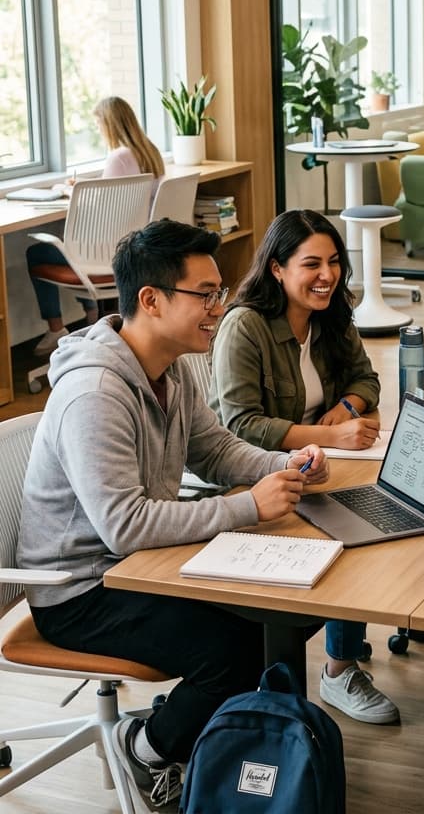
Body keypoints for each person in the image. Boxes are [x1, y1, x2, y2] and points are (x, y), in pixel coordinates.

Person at [16, 219, 327, 809]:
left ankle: (200, 734)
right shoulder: (95, 393)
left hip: (141, 563)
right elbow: (123, 524)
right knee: (234, 650)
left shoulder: (171, 366)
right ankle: (148, 749)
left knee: (287, 615)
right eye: (204, 294)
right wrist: (245, 508)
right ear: (151, 300)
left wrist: (284, 464)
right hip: (82, 589)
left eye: (219, 292)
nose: (218, 307)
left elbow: (214, 450)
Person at [208, 208, 399, 724]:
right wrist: (330, 434)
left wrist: (352, 407)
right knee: (349, 532)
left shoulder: (332, 314)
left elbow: (367, 379)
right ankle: (336, 671)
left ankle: (341, 664)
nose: (327, 275)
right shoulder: (244, 327)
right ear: (276, 268)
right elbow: (241, 424)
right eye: (311, 264)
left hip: (322, 464)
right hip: (257, 473)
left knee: (372, 518)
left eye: (334, 262)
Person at [27, 96, 166, 356]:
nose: (99, 130)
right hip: (136, 247)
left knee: (37, 252)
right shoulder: (150, 152)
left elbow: (102, 211)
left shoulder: (119, 156)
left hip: (109, 252)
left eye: (99, 123)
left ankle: (57, 329)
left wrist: (70, 194)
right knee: (73, 251)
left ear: (109, 123)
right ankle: (92, 315)